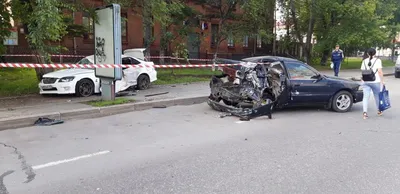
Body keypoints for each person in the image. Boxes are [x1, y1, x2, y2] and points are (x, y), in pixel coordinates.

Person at [361, 48, 384, 119]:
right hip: (375, 81)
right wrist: (382, 81)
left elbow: (362, 71)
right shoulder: (378, 60)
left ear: (367, 53)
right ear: (375, 53)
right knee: (377, 96)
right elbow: (380, 71)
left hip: (365, 81)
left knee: (365, 97)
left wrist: (362, 79)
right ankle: (379, 110)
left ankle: (365, 113)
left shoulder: (364, 61)